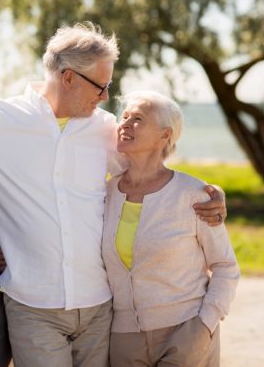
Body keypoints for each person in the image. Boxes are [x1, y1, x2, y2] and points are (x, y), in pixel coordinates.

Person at [0, 22, 226, 367]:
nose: (105, 96)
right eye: (100, 86)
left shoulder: (103, 130)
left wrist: (208, 194)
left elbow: (149, 173)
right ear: (68, 78)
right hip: (34, 306)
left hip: (99, 305)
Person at [102, 91, 239, 366]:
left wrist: (205, 324)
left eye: (138, 119)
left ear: (165, 135)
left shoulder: (195, 195)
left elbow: (225, 266)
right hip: (123, 340)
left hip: (186, 331)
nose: (125, 124)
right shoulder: (104, 194)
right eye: (124, 116)